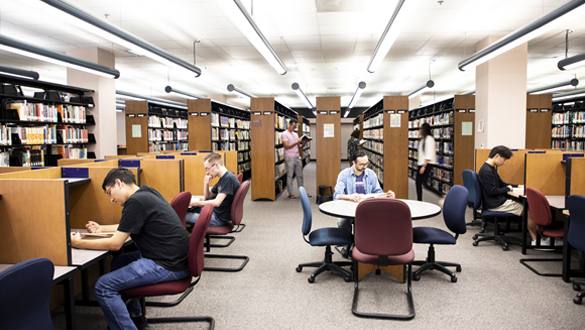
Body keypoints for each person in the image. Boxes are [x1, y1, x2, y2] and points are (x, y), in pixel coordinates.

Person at [70, 168, 190, 330]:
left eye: (109, 192)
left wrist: (78, 243)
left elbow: (115, 244)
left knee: (103, 287)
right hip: (175, 258)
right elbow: (128, 225)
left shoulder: (135, 202)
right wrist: (102, 228)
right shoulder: (147, 193)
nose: (111, 199)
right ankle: (137, 318)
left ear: (118, 183)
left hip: (167, 264)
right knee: (119, 261)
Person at [478, 145, 553, 247]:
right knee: (529, 210)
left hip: (496, 201)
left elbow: (501, 183)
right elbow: (493, 191)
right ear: (497, 156)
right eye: (504, 160)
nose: (504, 163)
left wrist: (516, 186)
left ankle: (538, 238)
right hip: (495, 203)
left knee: (528, 207)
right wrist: (508, 189)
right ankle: (538, 240)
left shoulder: (490, 168)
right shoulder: (486, 171)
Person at [334, 150, 395, 256]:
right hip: (349, 208)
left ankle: (365, 245)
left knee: (377, 221)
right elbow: (337, 195)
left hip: (368, 208)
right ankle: (346, 244)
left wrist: (387, 195)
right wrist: (350, 196)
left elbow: (378, 192)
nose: (364, 166)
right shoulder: (344, 175)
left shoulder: (371, 174)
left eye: (366, 163)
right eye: (361, 164)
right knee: (343, 222)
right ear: (353, 163)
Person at [186, 152, 240, 227]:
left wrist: (193, 203)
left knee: (179, 215)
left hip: (217, 219)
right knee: (186, 210)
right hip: (214, 212)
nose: (207, 172)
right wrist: (206, 183)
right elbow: (208, 196)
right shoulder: (223, 178)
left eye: (207, 169)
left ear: (216, 165)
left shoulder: (228, 178)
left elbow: (216, 202)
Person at [281, 118, 310, 199]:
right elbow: (287, 146)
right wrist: (297, 142)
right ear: (289, 124)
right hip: (289, 157)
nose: (294, 128)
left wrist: (304, 142)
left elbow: (299, 146)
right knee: (290, 176)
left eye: (295, 127)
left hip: (297, 157)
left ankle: (302, 192)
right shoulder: (284, 134)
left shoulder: (296, 134)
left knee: (300, 175)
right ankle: (290, 193)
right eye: (293, 126)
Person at [416, 122, 438, 202]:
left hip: (426, 164)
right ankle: (419, 200)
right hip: (421, 164)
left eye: (421, 128)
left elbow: (429, 154)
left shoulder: (429, 139)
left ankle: (441, 194)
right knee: (420, 183)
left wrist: (423, 166)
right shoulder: (423, 139)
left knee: (424, 184)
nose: (420, 130)